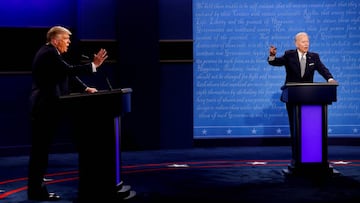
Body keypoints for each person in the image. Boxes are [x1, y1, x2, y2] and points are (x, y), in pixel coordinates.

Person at [27, 25, 108, 201]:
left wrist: (85, 88)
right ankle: (36, 191)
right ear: (55, 40)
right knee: (40, 151)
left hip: (46, 107)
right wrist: (92, 65)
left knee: (41, 150)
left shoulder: (52, 53)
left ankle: (36, 190)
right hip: (44, 107)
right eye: (66, 39)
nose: (69, 42)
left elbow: (68, 75)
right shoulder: (49, 53)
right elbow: (69, 70)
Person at [267, 32, 337, 166]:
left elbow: (323, 69)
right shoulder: (289, 55)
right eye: (303, 41)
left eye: (308, 41)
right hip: (293, 97)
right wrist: (272, 55)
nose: (306, 44)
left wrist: (330, 79)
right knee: (296, 127)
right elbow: (276, 62)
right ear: (296, 43)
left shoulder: (314, 57)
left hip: (310, 98)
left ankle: (313, 158)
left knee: (310, 129)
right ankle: (297, 158)